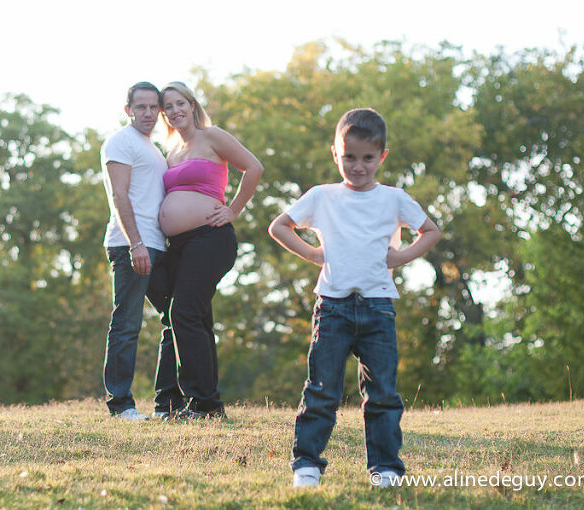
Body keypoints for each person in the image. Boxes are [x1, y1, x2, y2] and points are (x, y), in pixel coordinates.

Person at [268, 108, 441, 488]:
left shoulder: (394, 199)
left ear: (382, 156)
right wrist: (313, 254)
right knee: (322, 390)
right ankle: (306, 465)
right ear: (336, 153)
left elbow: (430, 231)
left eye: (367, 158)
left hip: (378, 307)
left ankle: (386, 468)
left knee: (382, 394)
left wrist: (402, 257)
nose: (358, 166)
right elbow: (279, 226)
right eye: (349, 157)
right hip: (332, 307)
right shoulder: (322, 196)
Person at [150, 81, 263, 419]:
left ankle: (203, 404)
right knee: (192, 318)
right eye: (168, 107)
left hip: (210, 239)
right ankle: (184, 403)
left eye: (180, 103)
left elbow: (254, 168)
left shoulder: (212, 136)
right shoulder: (171, 152)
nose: (175, 110)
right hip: (178, 245)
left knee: (183, 312)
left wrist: (233, 210)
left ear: (192, 104)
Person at [100, 81, 168, 421]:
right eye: (141, 106)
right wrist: (136, 243)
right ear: (128, 110)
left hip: (156, 245)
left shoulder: (152, 147)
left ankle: (168, 403)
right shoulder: (120, 142)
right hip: (132, 245)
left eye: (154, 107)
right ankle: (120, 405)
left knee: (175, 317)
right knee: (127, 324)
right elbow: (120, 195)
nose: (148, 113)